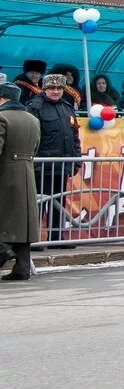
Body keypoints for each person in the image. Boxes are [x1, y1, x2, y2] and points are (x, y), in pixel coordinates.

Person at [27, 73, 80, 243]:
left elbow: (74, 136)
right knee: (39, 204)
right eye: (52, 88)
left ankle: (56, 238)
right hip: (41, 166)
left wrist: (76, 160)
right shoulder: (35, 107)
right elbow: (31, 138)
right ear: (45, 89)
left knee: (59, 204)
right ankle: (34, 240)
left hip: (62, 165)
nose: (56, 91)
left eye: (59, 88)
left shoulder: (67, 107)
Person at [0, 83, 42, 281]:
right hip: (26, 172)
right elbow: (35, 148)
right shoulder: (33, 119)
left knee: (5, 217)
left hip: (5, 174)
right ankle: (22, 267)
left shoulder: (2, 118)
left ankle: (4, 250)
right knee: (23, 222)